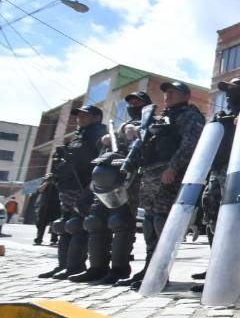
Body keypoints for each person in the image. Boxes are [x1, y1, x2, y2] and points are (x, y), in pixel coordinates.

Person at [120, 82, 204, 290]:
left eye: (174, 92)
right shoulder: (160, 115)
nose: (168, 95)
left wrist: (173, 168)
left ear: (186, 95)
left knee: (161, 222)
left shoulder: (190, 115)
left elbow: (190, 144)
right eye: (166, 92)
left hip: (170, 174)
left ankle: (160, 272)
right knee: (149, 222)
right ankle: (149, 267)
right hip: (150, 174)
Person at [190, 78, 240, 292]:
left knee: (234, 222)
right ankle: (216, 267)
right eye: (227, 92)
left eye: (233, 91)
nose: (228, 96)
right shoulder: (222, 115)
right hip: (217, 169)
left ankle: (230, 272)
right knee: (212, 216)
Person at [71, 92, 151, 284]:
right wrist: (106, 139)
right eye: (130, 101)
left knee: (120, 221)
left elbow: (147, 143)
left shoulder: (151, 122)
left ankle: (119, 269)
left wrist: (128, 129)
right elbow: (104, 146)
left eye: (138, 101)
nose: (133, 104)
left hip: (128, 179)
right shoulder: (119, 126)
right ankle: (97, 268)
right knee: (95, 221)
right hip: (105, 180)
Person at [38, 105, 106, 279]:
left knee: (76, 226)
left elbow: (100, 161)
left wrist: (90, 189)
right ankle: (64, 265)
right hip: (67, 187)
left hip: (83, 188)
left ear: (97, 117)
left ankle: (75, 266)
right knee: (63, 226)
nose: (80, 118)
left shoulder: (99, 134)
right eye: (79, 115)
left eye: (85, 115)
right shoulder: (80, 135)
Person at [33, 175, 61, 245]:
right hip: (45, 205)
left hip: (56, 205)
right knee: (41, 223)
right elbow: (40, 190)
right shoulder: (46, 182)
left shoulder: (59, 182)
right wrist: (47, 182)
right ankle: (39, 239)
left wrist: (55, 182)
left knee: (55, 223)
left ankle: (54, 239)